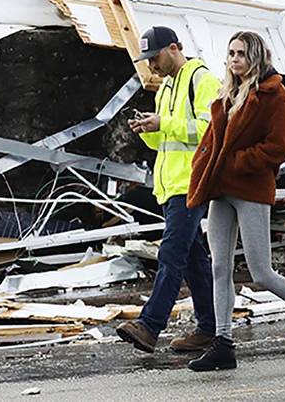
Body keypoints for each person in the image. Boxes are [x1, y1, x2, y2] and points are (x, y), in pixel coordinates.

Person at [186, 30, 285, 372]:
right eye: (231, 53)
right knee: (219, 267)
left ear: (255, 56)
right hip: (221, 191)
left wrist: (237, 163)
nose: (234, 59)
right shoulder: (228, 93)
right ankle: (223, 343)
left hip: (251, 190)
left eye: (240, 53)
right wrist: (205, 168)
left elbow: (279, 147)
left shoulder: (274, 95)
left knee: (261, 271)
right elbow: (214, 140)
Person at [117, 25, 220, 355]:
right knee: (194, 260)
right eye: (147, 60)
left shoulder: (202, 80)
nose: (152, 66)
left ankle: (149, 326)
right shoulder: (165, 89)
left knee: (171, 254)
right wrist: (148, 130)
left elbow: (210, 131)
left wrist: (164, 124)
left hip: (191, 183)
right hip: (171, 186)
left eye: (155, 57)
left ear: (175, 48)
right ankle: (210, 328)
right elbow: (166, 141)